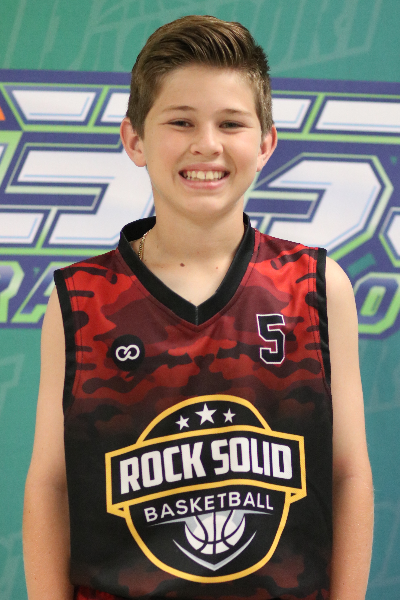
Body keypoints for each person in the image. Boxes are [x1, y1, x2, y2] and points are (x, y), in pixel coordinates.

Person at [23, 14, 373, 600]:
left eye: (230, 123)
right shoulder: (79, 299)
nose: (206, 144)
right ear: (134, 139)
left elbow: (348, 474)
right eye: (181, 121)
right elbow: (51, 487)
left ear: (265, 143)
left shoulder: (317, 287)